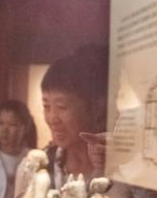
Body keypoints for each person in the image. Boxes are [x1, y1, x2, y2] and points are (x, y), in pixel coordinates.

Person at [37, 44, 110, 187]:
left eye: (61, 107)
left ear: (96, 107)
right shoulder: (40, 165)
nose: (52, 118)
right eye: (46, 106)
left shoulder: (116, 169)